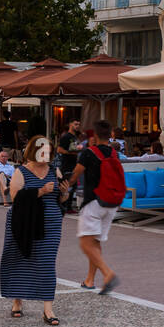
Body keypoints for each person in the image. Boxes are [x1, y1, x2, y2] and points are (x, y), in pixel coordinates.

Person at [0, 135, 69, 325]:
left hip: (51, 223)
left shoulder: (55, 171)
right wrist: (40, 192)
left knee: (46, 262)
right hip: (24, 222)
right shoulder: (21, 171)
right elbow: (16, 198)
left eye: (49, 152)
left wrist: (64, 192)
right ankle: (17, 300)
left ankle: (48, 310)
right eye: (43, 151)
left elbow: (61, 200)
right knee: (19, 258)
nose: (47, 155)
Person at [67, 119, 120, 294]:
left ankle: (108, 273)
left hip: (93, 202)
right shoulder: (114, 153)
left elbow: (75, 175)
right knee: (95, 242)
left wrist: (66, 184)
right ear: (110, 134)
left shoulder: (89, 153)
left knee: (85, 244)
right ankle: (89, 280)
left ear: (95, 135)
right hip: (111, 203)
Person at [57, 119, 82, 212]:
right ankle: (65, 206)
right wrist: (70, 152)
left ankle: (69, 206)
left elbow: (74, 148)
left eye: (79, 124)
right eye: (75, 124)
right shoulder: (66, 136)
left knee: (73, 185)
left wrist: (78, 150)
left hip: (74, 164)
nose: (77, 126)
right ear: (70, 124)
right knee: (68, 185)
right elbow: (59, 149)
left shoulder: (75, 137)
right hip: (67, 164)